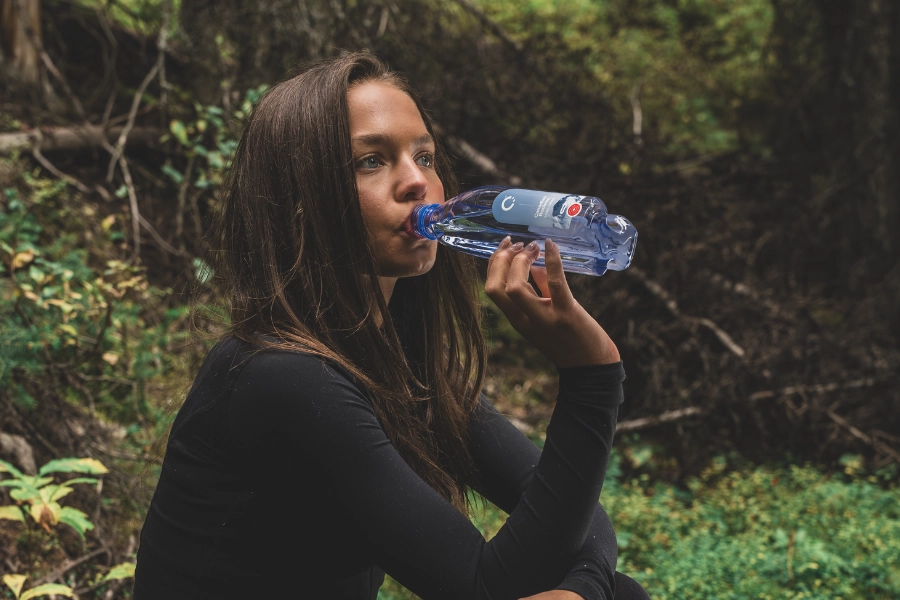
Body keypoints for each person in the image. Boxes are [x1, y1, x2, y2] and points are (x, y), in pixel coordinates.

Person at [133, 53, 651, 600]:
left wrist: (585, 591)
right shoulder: (281, 375)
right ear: (300, 200)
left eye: (424, 156)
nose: (417, 182)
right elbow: (485, 588)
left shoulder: (391, 358)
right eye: (371, 161)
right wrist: (591, 376)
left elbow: (584, 521)